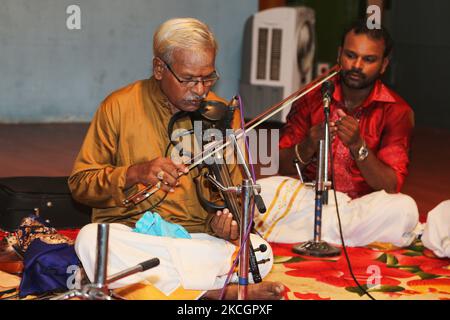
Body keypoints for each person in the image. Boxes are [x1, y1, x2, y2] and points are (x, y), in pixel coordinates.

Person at [69, 17, 284, 300]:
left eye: (208, 78)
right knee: (92, 240)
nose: (200, 90)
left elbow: (237, 195)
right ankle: (211, 292)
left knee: (259, 252)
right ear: (160, 68)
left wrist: (225, 223)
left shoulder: (220, 115)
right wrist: (134, 173)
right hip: (135, 238)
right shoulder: (118, 106)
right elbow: (80, 185)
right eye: (188, 79)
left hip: (194, 241)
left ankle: (154, 286)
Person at [254, 21, 420, 247]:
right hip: (311, 200)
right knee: (262, 191)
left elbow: (391, 186)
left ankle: (317, 231)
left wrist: (358, 146)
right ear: (340, 54)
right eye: (351, 55)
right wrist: (309, 144)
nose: (357, 65)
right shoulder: (311, 96)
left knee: (404, 208)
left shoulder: (397, 111)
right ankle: (345, 236)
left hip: (362, 207)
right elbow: (280, 166)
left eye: (369, 59)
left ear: (383, 65)